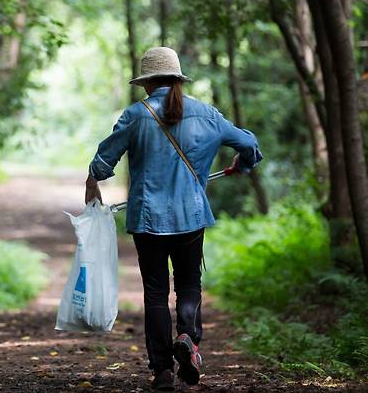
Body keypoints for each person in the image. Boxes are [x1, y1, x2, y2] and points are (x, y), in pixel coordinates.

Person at [85, 47, 262, 391]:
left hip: (148, 219)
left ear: (147, 82)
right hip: (190, 217)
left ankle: (162, 371)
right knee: (189, 285)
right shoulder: (207, 115)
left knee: (155, 293)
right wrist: (243, 165)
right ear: (177, 78)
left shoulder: (135, 115)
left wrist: (94, 179)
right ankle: (188, 340)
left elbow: (104, 161)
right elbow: (250, 144)